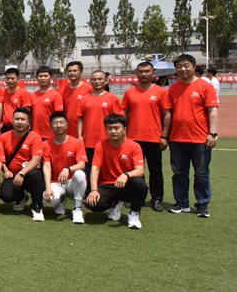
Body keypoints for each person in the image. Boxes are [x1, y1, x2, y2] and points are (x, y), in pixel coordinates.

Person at [167, 54, 219, 217]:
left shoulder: (205, 86)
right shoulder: (173, 88)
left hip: (200, 139)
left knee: (201, 173)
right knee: (179, 173)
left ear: (194, 66)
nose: (182, 69)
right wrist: (165, 136)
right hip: (177, 139)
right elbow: (169, 114)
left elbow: (212, 111)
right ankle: (181, 203)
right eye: (179, 66)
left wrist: (212, 133)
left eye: (186, 65)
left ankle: (202, 204)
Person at [122, 61, 172, 211]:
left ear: (153, 73)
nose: (144, 74)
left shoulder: (161, 92)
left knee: (155, 170)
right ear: (136, 74)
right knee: (136, 170)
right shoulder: (130, 92)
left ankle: (156, 198)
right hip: (133, 138)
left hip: (154, 138)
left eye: (147, 71)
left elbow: (167, 115)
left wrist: (164, 136)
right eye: (141, 71)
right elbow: (124, 115)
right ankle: (138, 197)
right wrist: (124, 135)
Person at [86, 114, 148, 229]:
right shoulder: (100, 145)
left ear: (124, 129)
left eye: (116, 128)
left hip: (126, 184)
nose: (113, 131)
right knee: (92, 204)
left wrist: (126, 174)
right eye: (109, 128)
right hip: (108, 184)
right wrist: (94, 190)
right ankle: (115, 203)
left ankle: (134, 213)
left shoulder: (134, 146)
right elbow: (95, 168)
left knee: (140, 184)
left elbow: (140, 170)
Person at [0, 107, 46, 221]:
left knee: (35, 175)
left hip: (29, 174)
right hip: (12, 175)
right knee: (6, 196)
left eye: (23, 119)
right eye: (17, 119)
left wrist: (22, 173)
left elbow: (36, 160)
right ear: (12, 120)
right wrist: (6, 171)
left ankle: (37, 206)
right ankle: (21, 196)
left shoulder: (34, 137)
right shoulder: (4, 137)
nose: (19, 122)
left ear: (28, 122)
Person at [42, 111, 88, 224]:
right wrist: (48, 187)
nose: (59, 125)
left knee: (80, 174)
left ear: (67, 125)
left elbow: (82, 164)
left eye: (62, 122)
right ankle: (61, 200)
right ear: (50, 125)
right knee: (49, 200)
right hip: (56, 182)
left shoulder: (77, 142)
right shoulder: (45, 144)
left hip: (72, 183)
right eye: (55, 123)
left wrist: (68, 169)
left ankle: (77, 208)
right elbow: (46, 166)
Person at [77, 70, 123, 166]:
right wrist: (80, 136)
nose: (97, 81)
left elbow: (120, 120)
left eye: (100, 79)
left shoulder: (112, 98)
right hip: (88, 141)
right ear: (90, 81)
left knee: (107, 169)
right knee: (89, 170)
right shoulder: (84, 99)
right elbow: (80, 119)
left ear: (106, 81)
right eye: (94, 79)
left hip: (108, 141)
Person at [30, 66, 63, 140]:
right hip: (35, 134)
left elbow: (59, 116)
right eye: (40, 76)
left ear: (51, 77)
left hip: (51, 134)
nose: (43, 78)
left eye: (45, 76)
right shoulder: (32, 95)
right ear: (37, 78)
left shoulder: (56, 95)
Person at [61, 60, 93, 138]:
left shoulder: (89, 89)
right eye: (69, 71)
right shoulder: (63, 90)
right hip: (68, 130)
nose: (72, 73)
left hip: (85, 130)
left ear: (81, 72)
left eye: (74, 71)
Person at [0, 67, 32, 133]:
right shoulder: (3, 92)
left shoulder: (23, 93)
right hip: (5, 127)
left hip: (18, 126)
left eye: (12, 78)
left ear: (17, 79)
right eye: (8, 78)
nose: (10, 80)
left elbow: (26, 111)